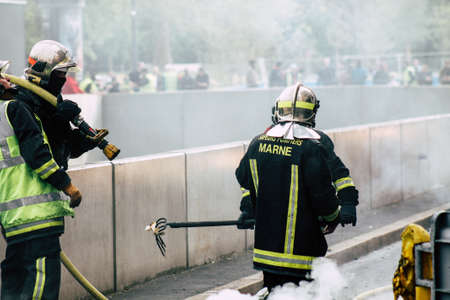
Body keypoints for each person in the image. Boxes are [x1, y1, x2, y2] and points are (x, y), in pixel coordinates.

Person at [0, 40, 108, 300]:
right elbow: (38, 153)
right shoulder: (17, 107)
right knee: (39, 286)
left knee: (15, 286)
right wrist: (67, 185)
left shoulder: (14, 109)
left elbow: (54, 145)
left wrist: (83, 140)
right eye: (59, 74)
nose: (7, 81)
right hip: (35, 215)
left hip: (14, 219)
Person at [235, 83, 358, 292]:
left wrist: (248, 208)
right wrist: (336, 213)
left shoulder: (257, 143)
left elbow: (245, 179)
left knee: (274, 294)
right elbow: (326, 189)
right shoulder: (314, 145)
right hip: (302, 251)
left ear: (277, 110)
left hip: (267, 250)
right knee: (303, 295)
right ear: (311, 112)